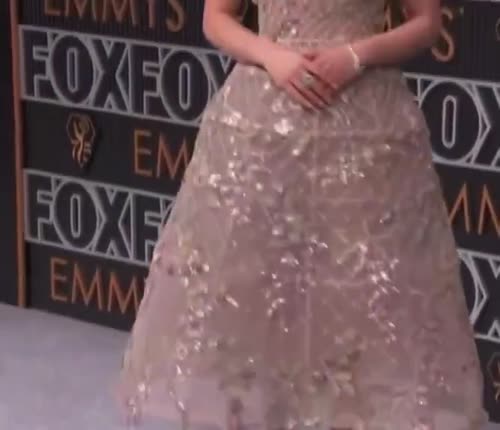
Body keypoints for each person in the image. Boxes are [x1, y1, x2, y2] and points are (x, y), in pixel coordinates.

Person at [118, 0, 489, 429]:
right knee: (257, 287)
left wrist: (355, 55)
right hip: (263, 125)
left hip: (366, 129)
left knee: (367, 289)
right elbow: (216, 19)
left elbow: (426, 23)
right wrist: (272, 56)